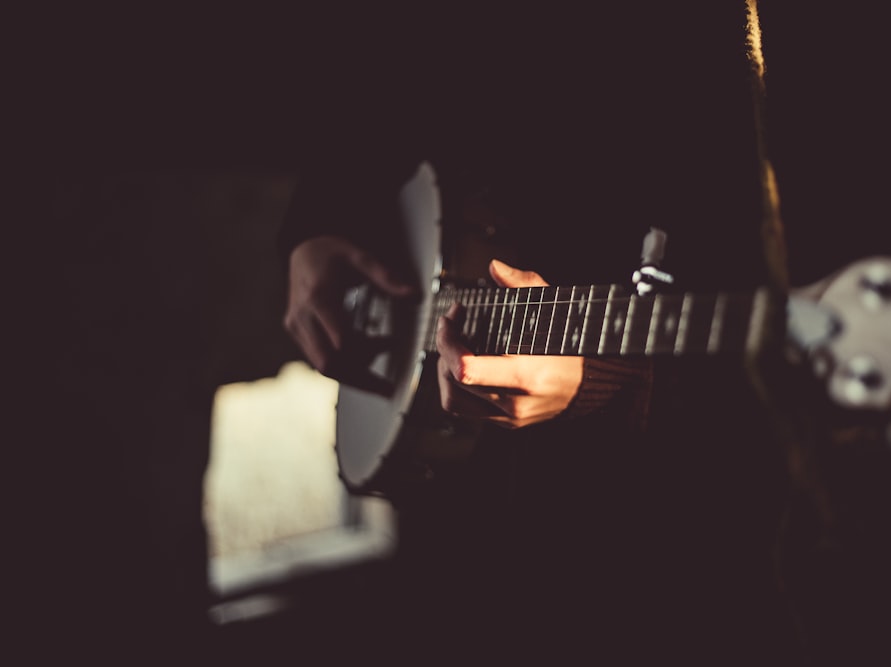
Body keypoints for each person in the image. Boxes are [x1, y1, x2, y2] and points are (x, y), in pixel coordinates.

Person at [277, 5, 804, 663]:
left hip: (646, 528)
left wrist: (618, 371)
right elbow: (377, 73)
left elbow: (741, 240)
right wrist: (314, 227)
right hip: (460, 524)